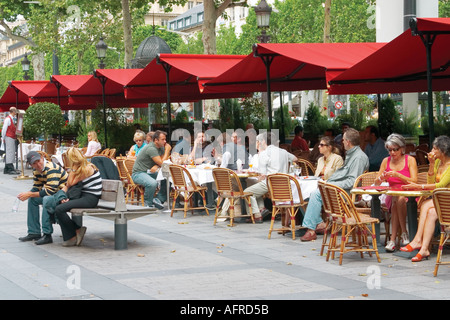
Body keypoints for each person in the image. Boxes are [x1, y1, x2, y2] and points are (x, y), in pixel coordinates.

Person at [300, 128, 369, 241]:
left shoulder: (358, 157)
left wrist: (331, 185)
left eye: (343, 140)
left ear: (348, 142)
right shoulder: (352, 154)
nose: (341, 142)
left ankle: (311, 229)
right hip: (342, 189)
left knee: (317, 194)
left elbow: (352, 182)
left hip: (348, 193)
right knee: (314, 193)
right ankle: (316, 225)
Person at [400, 135, 450, 262]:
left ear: (442, 151)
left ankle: (417, 240)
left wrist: (418, 186)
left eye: (434, 149)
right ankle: (424, 249)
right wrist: (432, 164)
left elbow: (440, 185)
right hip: (441, 203)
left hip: (447, 201)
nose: (431, 152)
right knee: (430, 212)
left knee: (426, 205)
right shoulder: (438, 162)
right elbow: (431, 181)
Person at [374, 133, 418, 252]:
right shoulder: (385, 161)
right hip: (392, 194)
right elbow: (376, 182)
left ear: (402, 148)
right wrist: (381, 178)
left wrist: (398, 175)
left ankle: (393, 239)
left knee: (399, 199)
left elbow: (414, 181)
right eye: (390, 150)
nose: (392, 153)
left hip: (409, 194)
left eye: (395, 149)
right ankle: (404, 233)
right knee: (396, 198)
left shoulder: (410, 160)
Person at [244, 132, 298, 223]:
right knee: (255, 189)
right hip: (284, 184)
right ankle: (261, 209)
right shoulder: (283, 151)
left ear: (264, 141)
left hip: (270, 184)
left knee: (247, 192)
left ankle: (256, 214)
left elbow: (262, 175)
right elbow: (295, 159)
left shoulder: (264, 154)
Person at [53, 147, 102, 247]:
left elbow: (70, 182)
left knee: (59, 209)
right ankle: (73, 234)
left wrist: (73, 167)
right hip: (83, 196)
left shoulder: (88, 168)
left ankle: (75, 233)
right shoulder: (82, 167)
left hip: (91, 198)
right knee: (57, 204)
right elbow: (69, 183)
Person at [17, 151, 68, 245]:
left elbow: (49, 192)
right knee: (32, 200)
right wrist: (26, 194)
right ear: (30, 164)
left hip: (63, 195)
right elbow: (37, 187)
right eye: (34, 163)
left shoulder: (51, 168)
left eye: (38, 161)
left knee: (46, 199)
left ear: (41, 157)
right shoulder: (36, 171)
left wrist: (29, 194)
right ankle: (34, 232)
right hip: (55, 194)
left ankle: (47, 234)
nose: (38, 164)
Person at [132, 130, 171, 209]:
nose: (165, 141)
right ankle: (148, 203)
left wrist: (157, 165)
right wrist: (167, 150)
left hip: (149, 172)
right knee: (152, 183)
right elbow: (162, 163)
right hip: (138, 173)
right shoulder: (151, 148)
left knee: (168, 179)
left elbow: (164, 161)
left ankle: (158, 200)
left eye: (165, 139)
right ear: (156, 140)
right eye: (163, 139)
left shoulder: (161, 148)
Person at [1, 107, 20, 175]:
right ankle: (10, 168)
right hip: (8, 137)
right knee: (9, 152)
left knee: (10, 152)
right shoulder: (8, 119)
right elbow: (4, 129)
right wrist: (3, 137)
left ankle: (7, 168)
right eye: (15, 111)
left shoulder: (11, 119)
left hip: (10, 137)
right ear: (13, 112)